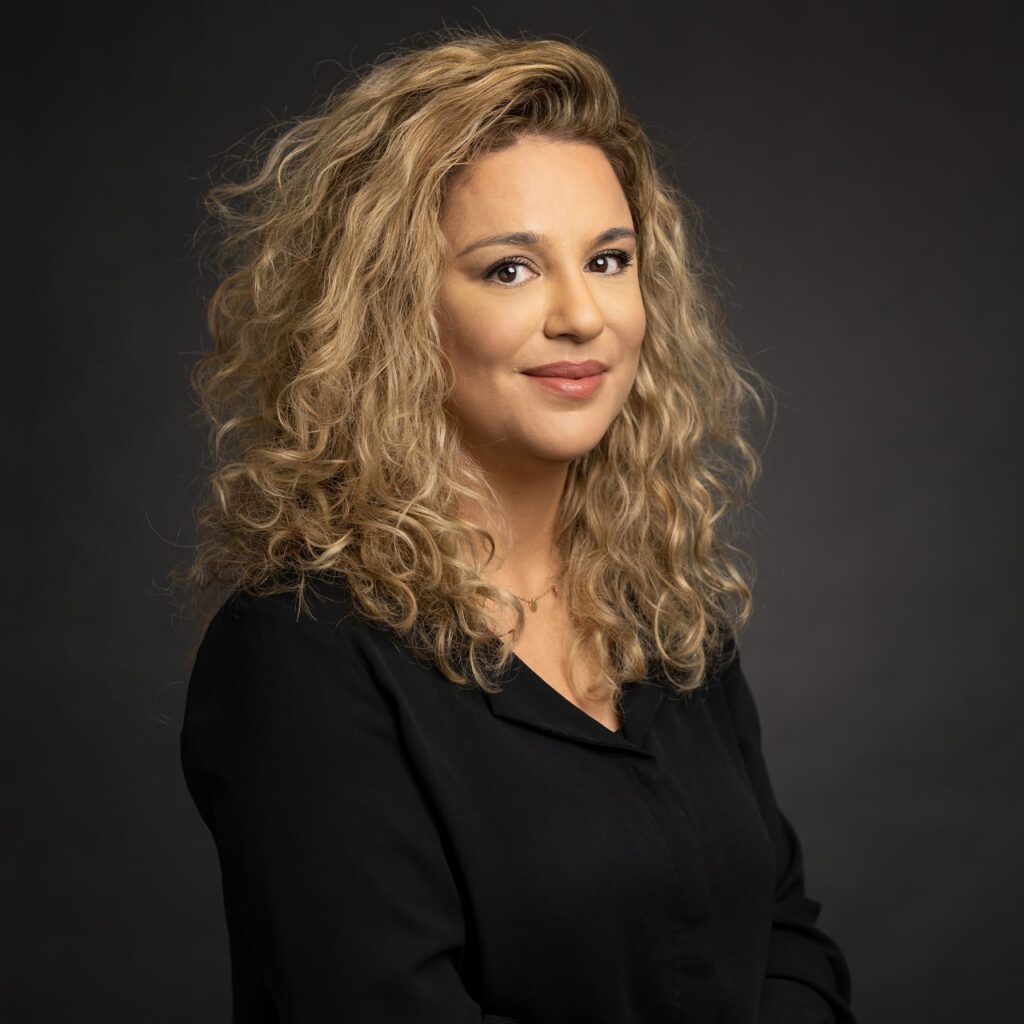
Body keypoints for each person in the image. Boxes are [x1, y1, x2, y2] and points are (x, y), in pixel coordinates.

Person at [176, 27, 856, 1024]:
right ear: (398, 312)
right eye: (510, 270)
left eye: (609, 259)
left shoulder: (667, 613)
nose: (582, 314)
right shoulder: (298, 651)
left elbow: (785, 938)